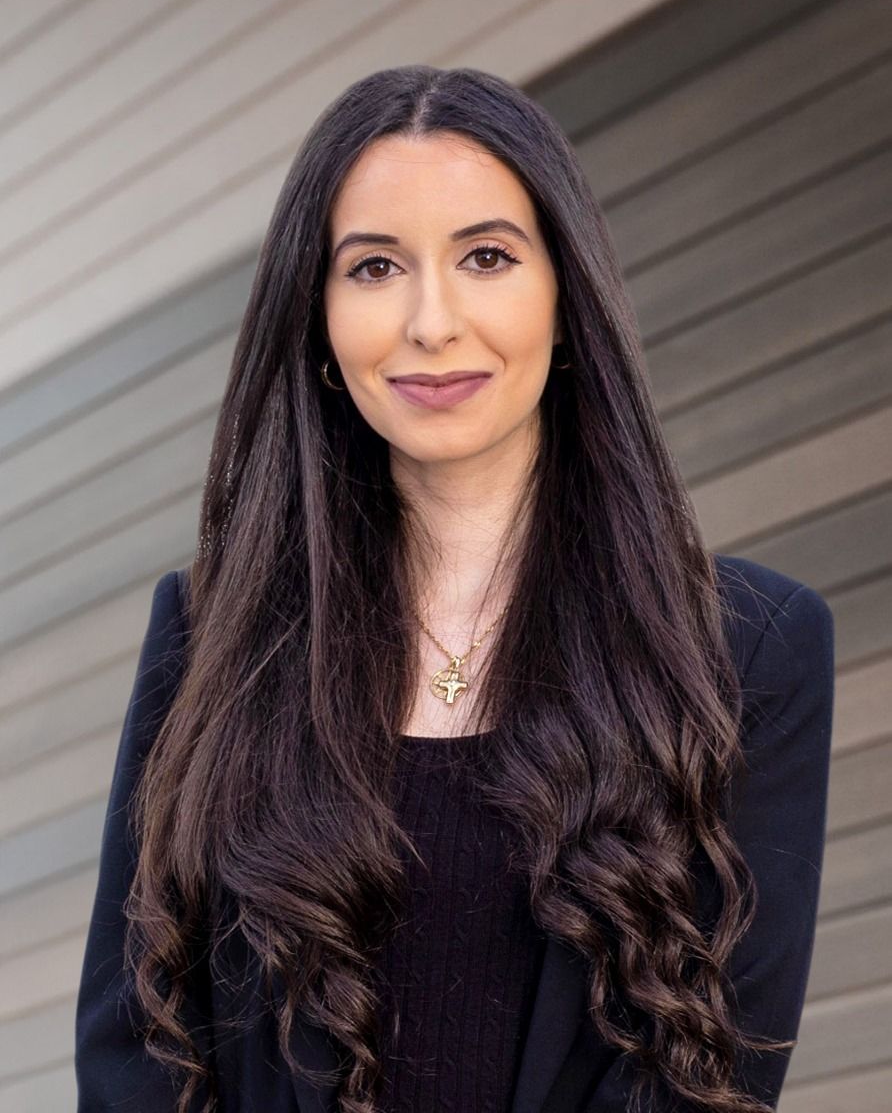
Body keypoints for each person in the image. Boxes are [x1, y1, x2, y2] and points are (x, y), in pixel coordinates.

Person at [74, 65, 835, 1113]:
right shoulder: (209, 639)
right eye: (375, 266)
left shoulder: (746, 649)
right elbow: (133, 1050)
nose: (431, 322)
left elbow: (715, 1068)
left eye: (486, 256)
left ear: (566, 298)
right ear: (318, 316)